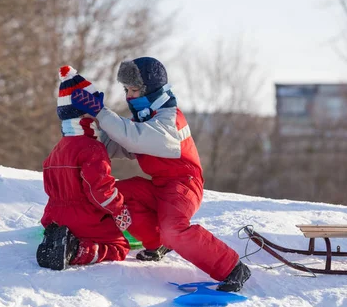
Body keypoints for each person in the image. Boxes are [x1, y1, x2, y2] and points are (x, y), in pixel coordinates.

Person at [69, 57, 251, 292]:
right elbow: (121, 143)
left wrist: (102, 113)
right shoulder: (146, 121)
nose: (129, 96)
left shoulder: (169, 120)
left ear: (151, 90)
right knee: (119, 196)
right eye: (126, 89)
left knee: (173, 229)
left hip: (184, 185)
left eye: (134, 89)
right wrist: (85, 130)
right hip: (160, 186)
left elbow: (134, 137)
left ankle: (232, 267)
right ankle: (157, 245)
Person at [37, 65, 133, 271]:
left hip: (55, 216)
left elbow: (50, 187)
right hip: (85, 219)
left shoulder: (58, 149)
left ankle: (57, 238)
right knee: (120, 246)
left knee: (73, 226)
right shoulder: (92, 148)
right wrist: (118, 210)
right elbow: (99, 190)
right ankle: (77, 250)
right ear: (87, 115)